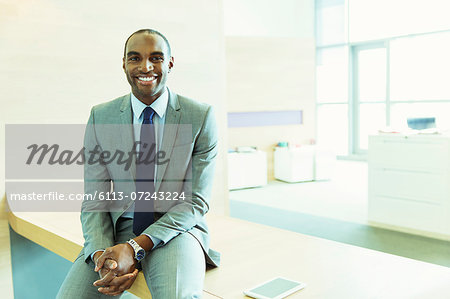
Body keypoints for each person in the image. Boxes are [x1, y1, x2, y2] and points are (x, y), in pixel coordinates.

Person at [57, 29, 220, 298]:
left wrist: (134, 248)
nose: (145, 67)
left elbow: (196, 202)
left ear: (169, 63)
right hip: (118, 229)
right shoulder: (101, 116)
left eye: (156, 58)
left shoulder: (200, 116)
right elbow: (94, 198)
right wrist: (101, 256)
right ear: (124, 64)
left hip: (176, 229)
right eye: (135, 58)